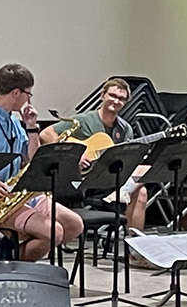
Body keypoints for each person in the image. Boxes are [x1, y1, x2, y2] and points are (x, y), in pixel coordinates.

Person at [0, 64, 83, 262]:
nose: (29, 99)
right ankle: (12, 268)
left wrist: (31, 127)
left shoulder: (13, 122)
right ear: (16, 92)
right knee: (53, 231)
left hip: (15, 193)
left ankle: (9, 255)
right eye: (28, 93)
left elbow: (32, 160)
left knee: (74, 225)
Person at [40, 77, 149, 233]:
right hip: (85, 181)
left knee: (143, 187)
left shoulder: (125, 129)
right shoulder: (84, 120)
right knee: (138, 188)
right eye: (112, 95)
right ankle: (121, 193)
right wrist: (74, 155)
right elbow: (46, 134)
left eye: (121, 99)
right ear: (102, 95)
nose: (116, 101)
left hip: (110, 179)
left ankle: (134, 247)